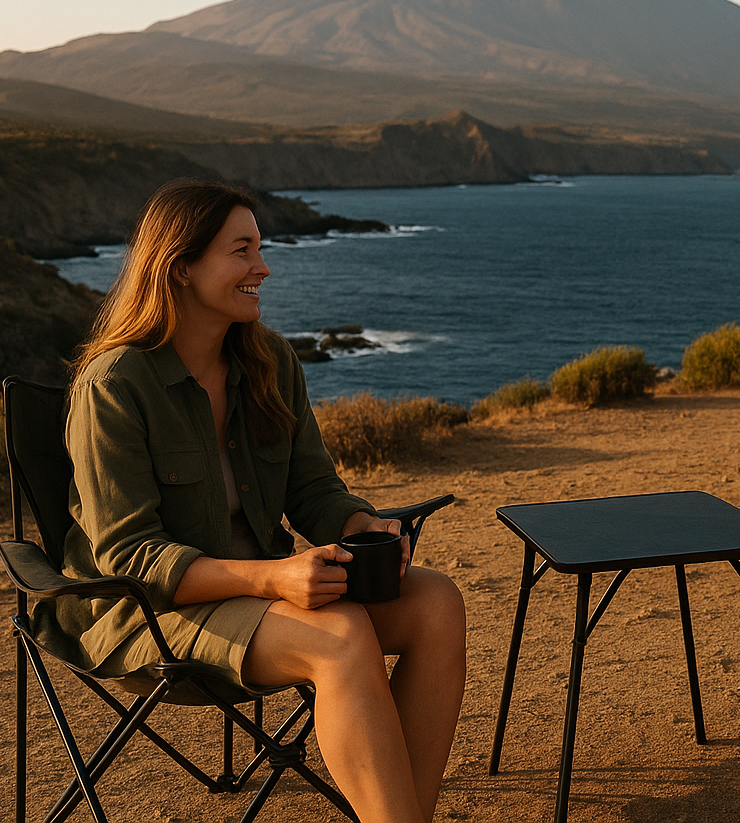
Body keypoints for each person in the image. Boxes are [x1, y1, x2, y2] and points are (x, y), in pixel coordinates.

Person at [54, 179, 465, 823]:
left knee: (437, 602)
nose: (262, 267)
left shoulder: (270, 359)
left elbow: (312, 489)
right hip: (147, 615)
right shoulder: (116, 384)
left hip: (263, 600)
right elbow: (131, 557)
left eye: (260, 247)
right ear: (181, 267)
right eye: (241, 250)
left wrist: (362, 524)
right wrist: (275, 577)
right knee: (339, 632)